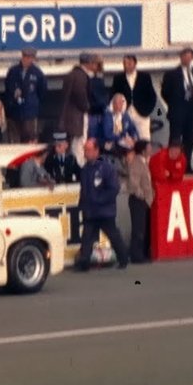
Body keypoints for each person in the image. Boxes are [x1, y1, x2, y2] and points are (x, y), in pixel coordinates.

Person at [75, 139, 129, 271]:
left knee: (113, 235)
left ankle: (123, 258)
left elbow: (113, 188)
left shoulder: (106, 168)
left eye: (88, 150)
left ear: (96, 151)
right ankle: (84, 262)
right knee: (87, 237)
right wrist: (82, 204)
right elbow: (84, 189)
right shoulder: (85, 169)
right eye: (85, 150)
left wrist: (99, 200)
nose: (86, 153)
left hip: (104, 211)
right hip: (90, 211)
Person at [161, 48, 193, 173]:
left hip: (191, 112)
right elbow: (165, 92)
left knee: (189, 140)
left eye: (189, 56)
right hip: (177, 111)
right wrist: (175, 103)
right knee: (175, 140)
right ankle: (171, 166)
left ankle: (186, 165)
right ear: (180, 57)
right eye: (185, 56)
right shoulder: (171, 74)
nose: (187, 59)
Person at [5, 47, 48, 144]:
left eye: (30, 57)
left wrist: (33, 102)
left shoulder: (37, 73)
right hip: (15, 111)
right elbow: (8, 88)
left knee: (29, 141)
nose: (28, 59)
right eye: (26, 57)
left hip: (29, 112)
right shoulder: (13, 71)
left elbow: (42, 91)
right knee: (14, 141)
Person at [111, 54, 157, 141]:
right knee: (124, 139)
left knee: (144, 139)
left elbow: (152, 96)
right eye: (124, 63)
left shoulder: (145, 77)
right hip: (124, 113)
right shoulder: (118, 78)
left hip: (142, 113)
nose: (126, 66)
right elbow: (114, 95)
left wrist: (147, 110)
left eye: (129, 63)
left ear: (135, 64)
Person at [59, 53, 94, 165]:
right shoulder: (81, 76)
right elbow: (80, 96)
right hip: (77, 117)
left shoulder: (70, 74)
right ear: (88, 63)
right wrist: (87, 107)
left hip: (68, 116)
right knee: (78, 146)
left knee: (72, 145)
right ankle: (79, 168)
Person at [125, 140, 153, 264]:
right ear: (143, 150)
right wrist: (142, 196)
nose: (151, 149)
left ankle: (141, 252)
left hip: (143, 201)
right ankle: (136, 255)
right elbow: (133, 183)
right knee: (138, 229)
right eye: (148, 147)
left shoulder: (143, 162)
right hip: (138, 200)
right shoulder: (137, 163)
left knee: (143, 228)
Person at [87, 59, 109, 141]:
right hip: (93, 113)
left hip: (101, 112)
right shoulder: (90, 79)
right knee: (93, 138)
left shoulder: (100, 79)